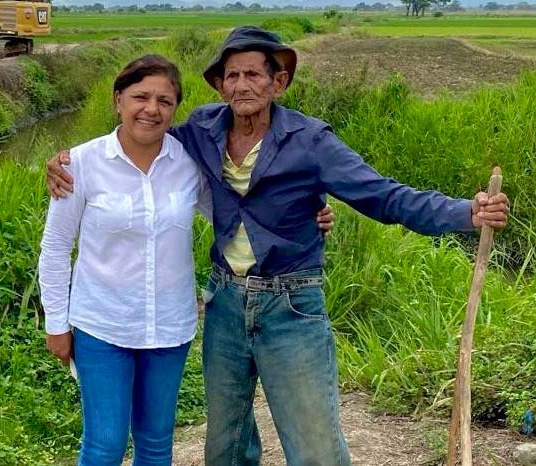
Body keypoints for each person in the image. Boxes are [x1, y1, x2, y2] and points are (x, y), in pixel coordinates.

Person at [46, 27, 510, 465]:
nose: (241, 84)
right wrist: (65, 161)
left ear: (278, 82)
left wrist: (462, 213)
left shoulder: (310, 142)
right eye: (232, 75)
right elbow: (141, 140)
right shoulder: (201, 131)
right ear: (220, 86)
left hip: (290, 303)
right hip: (225, 302)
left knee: (314, 443)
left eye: (253, 74)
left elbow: (382, 194)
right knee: (225, 443)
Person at [39, 55, 333, 466]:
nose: (151, 109)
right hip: (102, 325)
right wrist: (56, 323)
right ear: (118, 100)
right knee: (105, 443)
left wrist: (303, 216)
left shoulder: (188, 161)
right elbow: (55, 248)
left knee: (156, 442)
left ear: (176, 108)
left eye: (165, 101)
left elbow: (234, 214)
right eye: (140, 97)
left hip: (168, 327)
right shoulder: (81, 164)